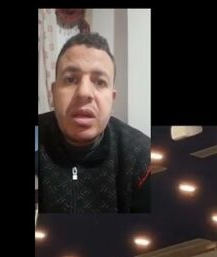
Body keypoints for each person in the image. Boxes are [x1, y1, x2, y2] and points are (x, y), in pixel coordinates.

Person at [37, 32, 153, 213]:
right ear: (54, 92)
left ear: (112, 99)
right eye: (70, 79)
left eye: (100, 82)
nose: (84, 93)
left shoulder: (141, 155)